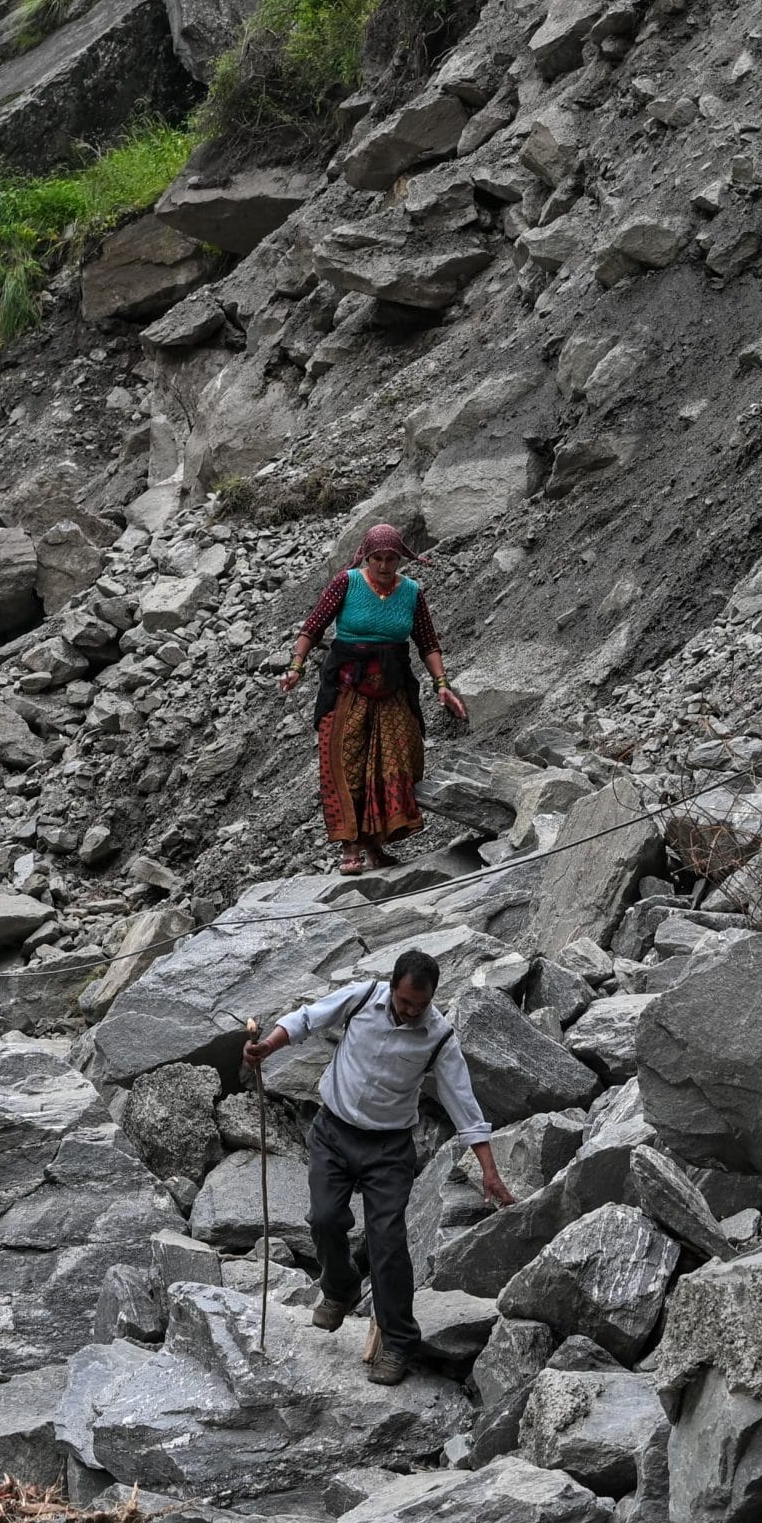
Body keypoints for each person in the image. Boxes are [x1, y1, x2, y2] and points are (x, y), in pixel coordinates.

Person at [244, 948, 512, 1385]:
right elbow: (308, 1018)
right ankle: (341, 1288)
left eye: (419, 1006)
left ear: (431, 999)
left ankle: (399, 1341)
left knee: (386, 1242)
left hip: (388, 1149)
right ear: (392, 987)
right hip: (333, 1132)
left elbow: (463, 1102)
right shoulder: (362, 996)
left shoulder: (439, 1036)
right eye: (405, 1002)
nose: (410, 1012)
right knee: (325, 1218)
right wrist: (268, 1047)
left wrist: (489, 1169)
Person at [279, 523, 470, 875]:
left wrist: (442, 684)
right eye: (378, 558)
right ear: (366, 557)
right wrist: (296, 666)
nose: (384, 566)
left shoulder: (411, 592)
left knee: (398, 759)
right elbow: (314, 626)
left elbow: (427, 642)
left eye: (391, 559)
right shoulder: (347, 583)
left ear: (401, 558)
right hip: (347, 686)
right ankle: (352, 847)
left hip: (393, 686)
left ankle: (375, 843)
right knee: (345, 761)